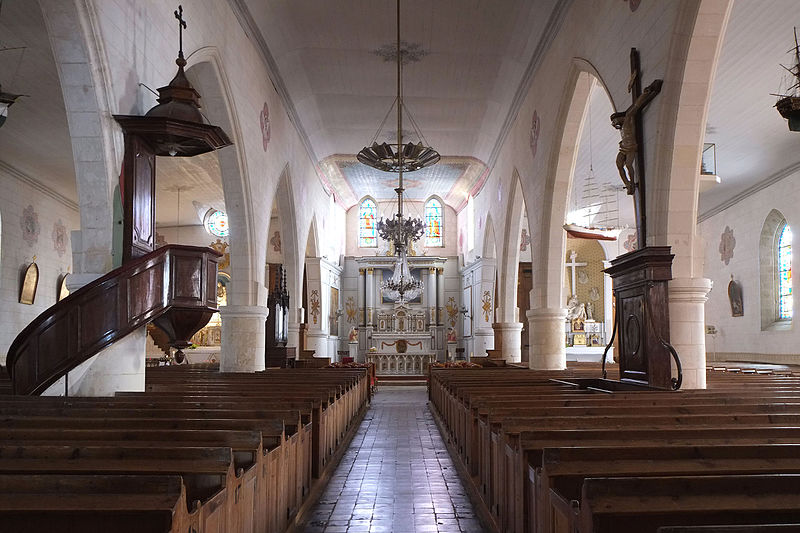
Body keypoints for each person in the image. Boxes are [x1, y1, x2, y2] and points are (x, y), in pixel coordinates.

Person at [611, 78, 663, 195]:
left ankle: (632, 183)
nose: (614, 124)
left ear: (619, 117)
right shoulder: (622, 127)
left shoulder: (628, 119)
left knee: (629, 165)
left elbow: (636, 106)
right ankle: (627, 183)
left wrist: (645, 94)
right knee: (619, 164)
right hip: (623, 147)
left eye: (614, 121)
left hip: (631, 147)